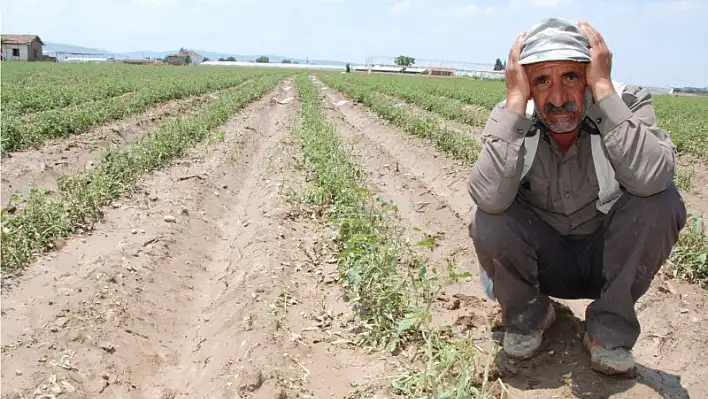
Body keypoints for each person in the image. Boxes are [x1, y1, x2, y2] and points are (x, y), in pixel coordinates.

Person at [467, 17, 687, 376]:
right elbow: (488, 198)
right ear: (526, 84)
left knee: (662, 202)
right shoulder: (514, 116)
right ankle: (530, 315)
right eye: (541, 81)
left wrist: (603, 89)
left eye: (571, 76)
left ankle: (608, 331)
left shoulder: (627, 103)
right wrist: (514, 101)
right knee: (488, 217)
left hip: (607, 260)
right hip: (544, 262)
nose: (557, 98)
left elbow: (652, 178)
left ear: (589, 73)